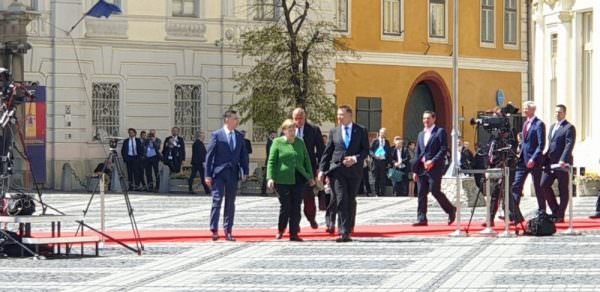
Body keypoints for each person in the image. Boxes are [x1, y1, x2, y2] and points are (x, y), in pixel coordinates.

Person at [319, 105, 369, 242]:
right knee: (341, 199)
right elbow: (328, 151)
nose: (339, 117)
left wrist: (355, 159)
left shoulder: (361, 130)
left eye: (341, 115)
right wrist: (322, 170)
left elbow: (366, 150)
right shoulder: (334, 131)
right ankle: (343, 232)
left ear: (349, 115)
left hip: (354, 171)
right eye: (338, 115)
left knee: (350, 200)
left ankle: (349, 226)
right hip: (337, 170)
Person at [267, 119, 315, 242]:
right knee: (286, 206)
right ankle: (281, 229)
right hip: (282, 179)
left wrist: (310, 177)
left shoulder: (300, 142)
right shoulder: (277, 142)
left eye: (294, 130)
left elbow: (307, 160)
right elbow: (271, 161)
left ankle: (294, 233)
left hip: (298, 178)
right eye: (290, 130)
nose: (292, 132)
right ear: (284, 131)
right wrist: (270, 177)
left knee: (296, 206)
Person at [205, 110, 249, 241]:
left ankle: (228, 230)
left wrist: (245, 171)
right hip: (218, 173)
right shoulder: (217, 135)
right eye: (235, 118)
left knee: (230, 202)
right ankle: (214, 230)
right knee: (217, 200)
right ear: (227, 120)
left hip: (233, 173)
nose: (237, 121)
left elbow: (243, 155)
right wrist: (207, 175)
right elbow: (209, 156)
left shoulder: (239, 136)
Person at [411, 111, 456, 226]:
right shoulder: (421, 134)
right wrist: (415, 170)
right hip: (421, 168)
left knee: (435, 191)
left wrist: (433, 161)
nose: (426, 121)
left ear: (434, 119)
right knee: (421, 193)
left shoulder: (439, 132)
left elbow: (443, 149)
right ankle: (422, 218)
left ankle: (450, 210)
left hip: (434, 168)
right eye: (424, 118)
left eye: (428, 118)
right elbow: (418, 152)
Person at [541, 104, 576, 223]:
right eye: (556, 112)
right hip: (550, 163)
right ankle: (555, 210)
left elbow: (569, 145)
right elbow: (551, 145)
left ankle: (560, 215)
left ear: (565, 113)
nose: (557, 114)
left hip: (562, 164)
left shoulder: (569, 127)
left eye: (560, 112)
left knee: (563, 189)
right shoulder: (552, 127)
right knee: (544, 185)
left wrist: (563, 159)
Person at [512, 101, 545, 220]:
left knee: (538, 187)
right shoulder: (525, 123)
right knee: (516, 185)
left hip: (534, 161)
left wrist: (533, 158)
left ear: (533, 110)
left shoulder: (539, 124)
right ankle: (514, 213)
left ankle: (542, 211)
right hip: (523, 160)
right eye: (524, 108)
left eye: (527, 108)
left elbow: (541, 145)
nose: (524, 110)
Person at [292, 108, 325, 229]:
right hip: (292, 169)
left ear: (304, 117)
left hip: (308, 169)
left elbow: (321, 150)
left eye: (300, 118)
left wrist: (320, 168)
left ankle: (311, 218)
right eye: (296, 118)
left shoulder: (313, 129)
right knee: (294, 198)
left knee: (308, 196)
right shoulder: (288, 128)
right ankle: (295, 224)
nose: (298, 121)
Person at [370, 128, 391, 196]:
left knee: (383, 178)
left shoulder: (387, 142)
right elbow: (370, 151)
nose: (384, 134)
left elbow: (389, 152)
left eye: (385, 133)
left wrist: (389, 162)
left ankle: (382, 192)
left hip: (383, 162)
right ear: (379, 133)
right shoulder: (375, 141)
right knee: (376, 178)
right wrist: (374, 156)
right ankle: (376, 193)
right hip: (376, 161)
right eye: (383, 133)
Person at [261, 131, 278, 196]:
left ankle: (275, 190)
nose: (275, 136)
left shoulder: (274, 141)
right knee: (266, 177)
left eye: (275, 135)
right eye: (274, 135)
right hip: (269, 162)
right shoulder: (270, 142)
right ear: (271, 135)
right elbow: (270, 152)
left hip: (275, 162)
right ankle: (263, 191)